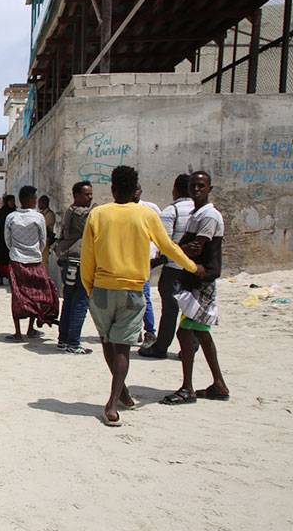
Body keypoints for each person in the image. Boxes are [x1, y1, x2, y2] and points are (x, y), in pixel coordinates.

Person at [80, 165, 202, 427]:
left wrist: (90, 288)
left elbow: (86, 258)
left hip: (101, 287)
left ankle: (119, 394)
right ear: (135, 189)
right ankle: (113, 403)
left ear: (112, 188)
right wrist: (193, 266)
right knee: (122, 347)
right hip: (133, 289)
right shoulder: (146, 215)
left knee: (107, 343)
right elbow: (167, 247)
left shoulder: (98, 214)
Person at [161, 171, 230, 406]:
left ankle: (188, 388)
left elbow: (194, 248)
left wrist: (181, 249)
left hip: (202, 280)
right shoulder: (195, 215)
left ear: (210, 188)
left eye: (201, 185)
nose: (197, 189)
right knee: (200, 332)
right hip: (194, 280)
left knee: (186, 333)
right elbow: (183, 247)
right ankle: (218, 384)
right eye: (193, 185)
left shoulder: (209, 216)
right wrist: (181, 249)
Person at [140, 174, 194, 359]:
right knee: (190, 309)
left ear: (175, 189)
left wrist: (153, 263)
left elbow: (164, 244)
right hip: (193, 269)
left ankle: (161, 347)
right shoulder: (202, 211)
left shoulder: (172, 211)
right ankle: (189, 347)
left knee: (170, 310)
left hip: (173, 269)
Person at [4, 185, 59, 341]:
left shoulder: (12, 217)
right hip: (34, 260)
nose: (36, 200)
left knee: (18, 294)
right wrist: (34, 251)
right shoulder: (38, 218)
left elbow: (7, 241)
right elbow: (42, 240)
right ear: (28, 199)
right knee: (36, 293)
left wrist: (17, 251)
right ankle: (30, 328)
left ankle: (18, 332)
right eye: (34, 198)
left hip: (16, 260)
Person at [55, 181, 93, 354]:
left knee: (70, 300)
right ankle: (73, 342)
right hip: (77, 261)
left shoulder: (72, 210)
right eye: (86, 194)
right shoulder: (79, 213)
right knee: (79, 301)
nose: (90, 197)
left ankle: (64, 339)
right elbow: (93, 221)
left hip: (70, 260)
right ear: (76, 195)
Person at [135, 188, 162, 347]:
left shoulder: (150, 208)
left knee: (144, 296)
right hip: (127, 259)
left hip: (145, 259)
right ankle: (134, 329)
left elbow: (160, 231)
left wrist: (158, 252)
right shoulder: (121, 210)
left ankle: (150, 331)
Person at [38, 195, 56, 268]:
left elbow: (43, 227)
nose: (38, 205)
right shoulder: (42, 213)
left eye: (40, 203)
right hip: (41, 241)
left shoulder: (49, 214)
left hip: (45, 240)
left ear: (44, 203)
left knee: (44, 263)